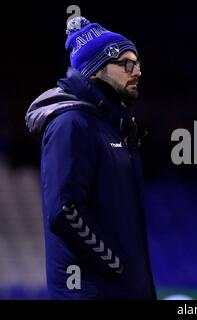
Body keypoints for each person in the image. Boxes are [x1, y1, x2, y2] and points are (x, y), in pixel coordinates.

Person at [25, 16, 156, 299]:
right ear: (96, 70)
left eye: (138, 64)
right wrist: (116, 264)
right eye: (127, 64)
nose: (138, 72)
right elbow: (65, 210)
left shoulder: (112, 126)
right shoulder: (71, 123)